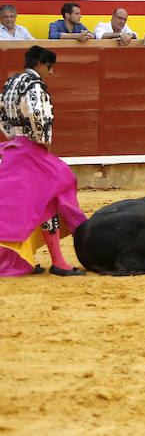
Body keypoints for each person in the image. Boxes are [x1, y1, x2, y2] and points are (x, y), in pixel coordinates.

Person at [0, 47, 87, 276]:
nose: (52, 72)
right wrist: (44, 141)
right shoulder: (34, 85)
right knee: (62, 183)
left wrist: (12, 136)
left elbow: (1, 113)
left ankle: (35, 257)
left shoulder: (11, 83)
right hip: (33, 150)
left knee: (40, 201)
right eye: (50, 67)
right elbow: (38, 115)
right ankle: (58, 261)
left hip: (14, 149)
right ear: (40, 64)